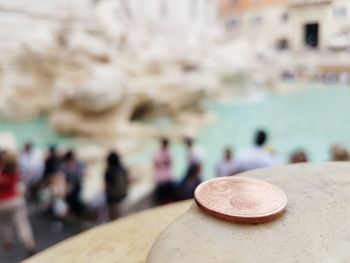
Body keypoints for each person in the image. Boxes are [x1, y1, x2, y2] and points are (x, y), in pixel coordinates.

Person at [0, 153, 36, 256]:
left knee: (4, 224)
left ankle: (8, 242)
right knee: (22, 223)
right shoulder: (15, 172)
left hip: (2, 203)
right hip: (15, 200)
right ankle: (29, 244)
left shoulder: (2, 175)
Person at [104, 151, 128, 220]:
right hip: (123, 196)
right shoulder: (122, 168)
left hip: (113, 200)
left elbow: (106, 187)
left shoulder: (108, 171)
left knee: (113, 219)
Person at [61, 150, 85, 216]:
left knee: (76, 199)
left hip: (77, 186)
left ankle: (76, 213)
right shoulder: (64, 166)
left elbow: (84, 173)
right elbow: (63, 178)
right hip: (69, 187)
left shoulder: (79, 164)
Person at [153, 138, 175, 205]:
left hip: (160, 178)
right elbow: (171, 163)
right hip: (168, 178)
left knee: (161, 199)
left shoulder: (157, 153)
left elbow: (155, 165)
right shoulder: (169, 153)